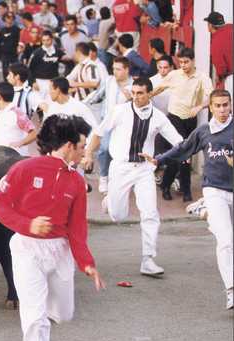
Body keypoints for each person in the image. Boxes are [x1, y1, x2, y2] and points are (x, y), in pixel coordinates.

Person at [0, 113, 104, 341]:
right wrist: (27, 225)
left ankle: (44, 314)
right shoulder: (24, 169)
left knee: (64, 314)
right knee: (34, 321)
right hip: (27, 249)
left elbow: (78, 228)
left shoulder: (77, 183)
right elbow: (0, 206)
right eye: (82, 146)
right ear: (68, 145)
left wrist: (87, 263)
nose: (84, 151)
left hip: (60, 252)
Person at [140, 89, 234, 310]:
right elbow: (183, 149)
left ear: (231, 106)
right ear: (210, 108)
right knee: (226, 241)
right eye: (218, 106)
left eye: (226, 105)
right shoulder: (204, 132)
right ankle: (231, 290)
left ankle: (204, 210)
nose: (222, 110)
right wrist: (158, 160)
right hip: (214, 189)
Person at [84, 77, 183, 276]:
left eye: (140, 93)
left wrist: (185, 154)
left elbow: (178, 141)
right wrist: (88, 154)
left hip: (145, 169)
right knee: (118, 215)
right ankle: (110, 201)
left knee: (150, 213)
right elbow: (99, 132)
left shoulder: (158, 117)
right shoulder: (120, 111)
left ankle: (148, 260)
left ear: (149, 94)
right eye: (134, 93)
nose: (135, 97)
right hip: (120, 168)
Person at [151, 47, 214, 202]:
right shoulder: (174, 75)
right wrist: (146, 96)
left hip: (190, 120)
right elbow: (158, 88)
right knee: (183, 153)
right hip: (174, 118)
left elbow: (211, 96)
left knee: (183, 153)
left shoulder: (202, 77)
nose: (183, 65)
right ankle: (186, 191)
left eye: (186, 62)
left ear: (193, 61)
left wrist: (200, 106)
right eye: (181, 62)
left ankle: (166, 184)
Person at [86, 56, 132, 193]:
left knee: (123, 153)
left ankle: (123, 182)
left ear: (126, 70)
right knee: (104, 149)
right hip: (107, 123)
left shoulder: (134, 85)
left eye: (118, 69)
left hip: (125, 126)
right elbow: (97, 96)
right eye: (113, 69)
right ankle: (104, 177)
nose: (115, 72)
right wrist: (84, 105)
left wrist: (131, 98)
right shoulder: (109, 81)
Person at [28, 30, 64, 97]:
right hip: (40, 82)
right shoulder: (36, 53)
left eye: (48, 40)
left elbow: (65, 59)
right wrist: (32, 82)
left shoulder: (57, 51)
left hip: (53, 82)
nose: (46, 42)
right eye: (43, 40)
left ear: (52, 39)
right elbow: (29, 68)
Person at [205, 11, 233, 91]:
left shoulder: (216, 41)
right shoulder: (231, 27)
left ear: (210, 25)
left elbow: (221, 68)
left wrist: (220, 78)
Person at [96, 6, 114, 70]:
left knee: (103, 68)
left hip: (100, 47)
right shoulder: (110, 21)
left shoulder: (101, 22)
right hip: (106, 48)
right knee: (107, 68)